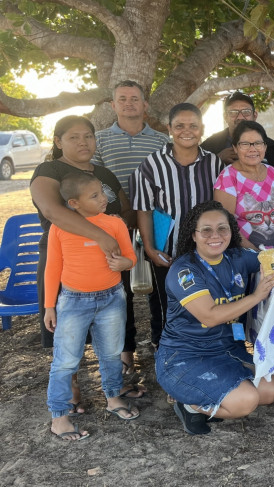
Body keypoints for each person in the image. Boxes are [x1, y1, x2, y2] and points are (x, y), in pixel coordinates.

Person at [30, 115, 140, 415]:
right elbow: (52, 210)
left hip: (108, 273)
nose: (83, 142)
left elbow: (124, 209)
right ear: (58, 142)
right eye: (73, 137)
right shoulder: (49, 170)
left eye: (88, 136)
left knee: (111, 340)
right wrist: (102, 236)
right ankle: (71, 394)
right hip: (68, 265)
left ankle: (114, 390)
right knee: (67, 342)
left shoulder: (103, 172)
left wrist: (117, 234)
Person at [156, 201, 274, 435]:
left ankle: (208, 396)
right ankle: (189, 404)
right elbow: (210, 317)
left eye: (222, 228)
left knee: (271, 390)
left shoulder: (236, 256)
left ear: (231, 231)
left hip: (226, 349)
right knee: (245, 401)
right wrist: (257, 296)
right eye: (206, 230)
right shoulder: (184, 271)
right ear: (193, 235)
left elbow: (272, 258)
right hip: (186, 355)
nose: (215, 236)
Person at [44, 172, 139, 440]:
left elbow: (130, 257)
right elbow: (53, 267)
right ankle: (59, 416)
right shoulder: (61, 227)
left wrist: (125, 264)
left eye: (102, 192)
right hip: (73, 301)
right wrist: (49, 305)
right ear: (74, 203)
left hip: (112, 298)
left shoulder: (115, 224)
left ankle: (113, 397)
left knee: (111, 353)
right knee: (66, 360)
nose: (104, 198)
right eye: (94, 195)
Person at [131, 103, 225, 349]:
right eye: (180, 126)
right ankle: (166, 352)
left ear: (202, 129)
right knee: (167, 304)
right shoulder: (151, 165)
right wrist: (150, 249)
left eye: (193, 125)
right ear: (169, 129)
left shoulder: (214, 164)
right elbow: (144, 209)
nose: (187, 131)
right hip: (167, 252)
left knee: (207, 300)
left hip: (205, 251)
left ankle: (206, 349)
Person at [94, 79, 170, 378]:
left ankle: (161, 342)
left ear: (145, 105)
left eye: (135, 98)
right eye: (122, 99)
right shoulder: (98, 140)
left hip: (156, 222)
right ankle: (126, 353)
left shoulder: (162, 141)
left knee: (160, 287)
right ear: (113, 105)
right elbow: (96, 181)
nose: (129, 103)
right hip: (116, 225)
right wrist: (122, 215)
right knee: (119, 291)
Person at [213, 120, 274, 250]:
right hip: (244, 255)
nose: (252, 149)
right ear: (235, 148)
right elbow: (226, 223)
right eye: (245, 144)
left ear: (265, 146)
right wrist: (256, 253)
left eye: (258, 143)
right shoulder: (228, 177)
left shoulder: (273, 173)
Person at [200, 91, 274, 172]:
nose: (240, 117)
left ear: (255, 115)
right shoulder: (210, 145)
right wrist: (216, 160)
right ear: (225, 117)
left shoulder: (271, 148)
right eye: (233, 112)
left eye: (246, 112)